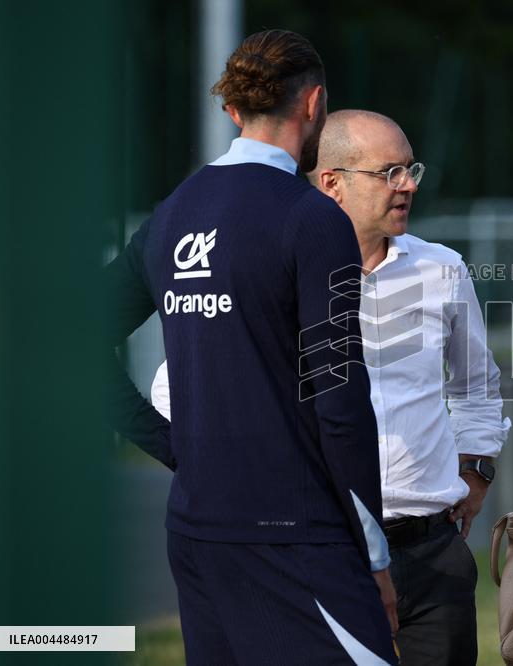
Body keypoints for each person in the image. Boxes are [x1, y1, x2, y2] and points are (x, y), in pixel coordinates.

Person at [152, 109, 510, 666]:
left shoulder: (442, 269)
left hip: (432, 550)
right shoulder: (272, 270)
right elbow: (174, 391)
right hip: (323, 551)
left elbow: (476, 385)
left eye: (410, 168)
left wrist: (477, 468)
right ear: (331, 183)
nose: (409, 184)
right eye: (388, 172)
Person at [105, 30, 397, 665]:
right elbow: (341, 396)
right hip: (295, 536)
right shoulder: (314, 217)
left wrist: (168, 444)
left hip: (194, 532)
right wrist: (374, 554)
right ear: (315, 104)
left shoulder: (172, 213)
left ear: (233, 110)